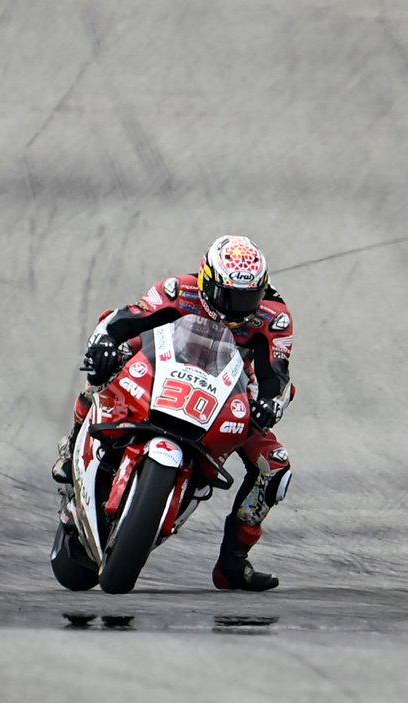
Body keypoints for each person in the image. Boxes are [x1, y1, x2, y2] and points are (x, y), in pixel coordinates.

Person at [52, 235, 294, 591]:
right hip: (163, 369)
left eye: (248, 296)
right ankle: (71, 445)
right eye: (229, 295)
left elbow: (275, 374)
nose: (239, 306)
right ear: (207, 281)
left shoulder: (274, 317)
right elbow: (124, 320)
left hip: (228, 394)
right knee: (105, 367)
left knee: (275, 468)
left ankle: (232, 563)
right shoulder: (178, 290)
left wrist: (270, 402)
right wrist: (103, 344)